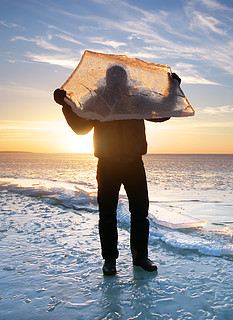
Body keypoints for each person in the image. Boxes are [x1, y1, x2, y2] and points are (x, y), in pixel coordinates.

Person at [54, 67, 181, 275]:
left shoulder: (136, 98)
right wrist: (65, 105)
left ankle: (140, 257)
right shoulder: (97, 99)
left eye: (120, 77)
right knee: (107, 214)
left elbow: (163, 112)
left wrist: (173, 87)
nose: (117, 81)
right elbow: (80, 128)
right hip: (107, 164)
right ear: (107, 80)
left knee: (140, 212)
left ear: (126, 80)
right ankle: (110, 260)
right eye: (113, 78)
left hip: (134, 163)